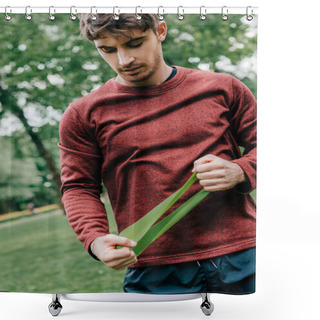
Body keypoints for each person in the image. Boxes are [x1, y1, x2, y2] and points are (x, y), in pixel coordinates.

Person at [59, 14, 256, 295]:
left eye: (135, 43)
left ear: (160, 31)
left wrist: (241, 170)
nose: (124, 60)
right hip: (151, 268)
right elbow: (78, 187)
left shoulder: (223, 87)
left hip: (244, 253)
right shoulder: (83, 115)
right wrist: (95, 238)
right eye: (108, 49)